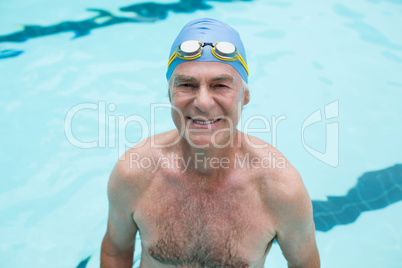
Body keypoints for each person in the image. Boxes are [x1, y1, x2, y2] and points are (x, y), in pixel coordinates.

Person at [101, 18, 320, 268]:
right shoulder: (135, 173)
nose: (203, 102)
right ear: (170, 94)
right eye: (186, 85)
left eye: (220, 85)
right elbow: (116, 252)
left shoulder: (280, 190)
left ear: (244, 96)